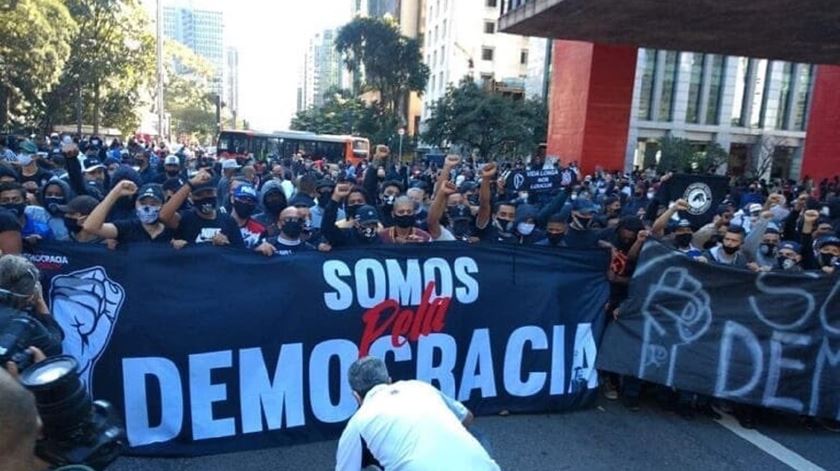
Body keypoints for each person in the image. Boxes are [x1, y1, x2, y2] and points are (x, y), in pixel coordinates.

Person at [336, 357, 500, 471]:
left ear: (356, 396)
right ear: (389, 380)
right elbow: (467, 417)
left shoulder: (357, 423)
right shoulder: (419, 386)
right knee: (475, 433)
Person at [159, 170, 244, 247]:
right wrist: (189, 185)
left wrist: (227, 243)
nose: (205, 197)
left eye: (209, 192)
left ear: (216, 193)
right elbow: (163, 216)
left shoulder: (228, 220)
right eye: (199, 194)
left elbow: (240, 252)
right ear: (191, 198)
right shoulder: (185, 218)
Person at [83, 182, 175, 245]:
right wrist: (115, 193)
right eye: (142, 203)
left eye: (153, 204)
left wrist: (181, 246)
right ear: (135, 203)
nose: (147, 207)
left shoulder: (172, 231)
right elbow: (90, 226)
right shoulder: (127, 227)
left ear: (163, 205)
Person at [229, 183, 266, 249]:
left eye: (250, 201)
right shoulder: (220, 223)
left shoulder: (260, 230)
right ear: (232, 199)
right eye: (242, 199)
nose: (246, 203)